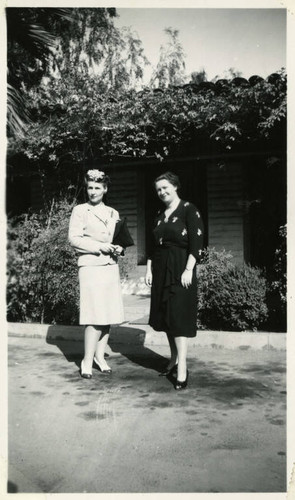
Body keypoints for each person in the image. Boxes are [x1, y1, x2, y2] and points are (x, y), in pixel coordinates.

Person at [145, 171, 204, 390]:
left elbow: (197, 242)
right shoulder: (159, 213)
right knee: (167, 316)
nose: (162, 192)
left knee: (178, 315)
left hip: (180, 267)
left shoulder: (189, 209)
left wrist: (189, 269)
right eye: (158, 189)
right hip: (160, 268)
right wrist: (149, 270)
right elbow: (152, 245)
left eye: (165, 188)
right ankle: (173, 359)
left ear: (175, 186)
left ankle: (182, 367)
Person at [69, 169, 126, 379]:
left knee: (107, 314)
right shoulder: (80, 210)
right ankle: (86, 359)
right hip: (90, 266)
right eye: (90, 188)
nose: (93, 192)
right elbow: (74, 239)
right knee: (94, 315)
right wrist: (100, 247)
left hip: (109, 266)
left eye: (97, 188)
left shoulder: (113, 213)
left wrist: (119, 248)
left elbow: (118, 239)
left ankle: (100, 357)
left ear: (105, 189)